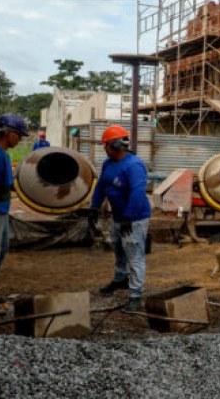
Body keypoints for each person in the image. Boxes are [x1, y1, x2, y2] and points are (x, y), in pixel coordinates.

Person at [89, 125, 151, 312]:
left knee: (135, 254)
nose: (104, 148)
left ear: (113, 145)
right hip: (118, 216)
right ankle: (120, 279)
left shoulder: (134, 165)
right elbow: (101, 185)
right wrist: (94, 206)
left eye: (105, 145)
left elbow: (138, 193)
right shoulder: (109, 163)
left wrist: (128, 218)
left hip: (135, 219)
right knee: (118, 249)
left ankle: (135, 295)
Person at [0, 114, 28, 317]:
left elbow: (4, 183)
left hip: (0, 212)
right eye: (19, 136)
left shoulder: (3, 154)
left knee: (1, 251)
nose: (19, 140)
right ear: (10, 134)